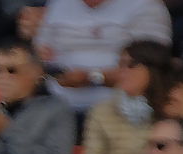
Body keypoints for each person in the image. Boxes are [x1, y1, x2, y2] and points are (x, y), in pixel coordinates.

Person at [69, 40, 171, 154]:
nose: (122, 71)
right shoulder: (102, 111)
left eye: (131, 65)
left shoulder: (171, 112)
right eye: (120, 64)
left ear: (152, 69)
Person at [36, 0, 171, 112]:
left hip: (124, 111)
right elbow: (41, 53)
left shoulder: (146, 5)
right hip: (57, 106)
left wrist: (93, 77)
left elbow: (152, 69)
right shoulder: (58, 4)